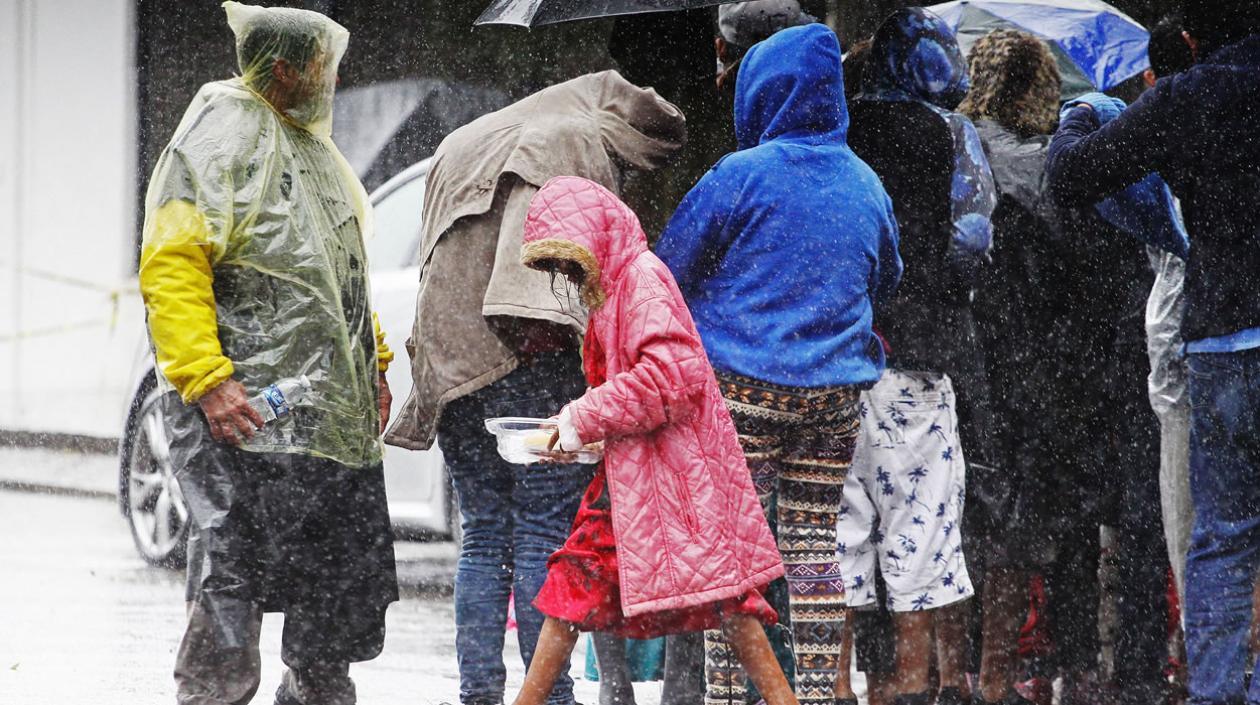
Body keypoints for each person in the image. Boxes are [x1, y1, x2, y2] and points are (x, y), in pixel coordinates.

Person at [382, 71, 685, 705]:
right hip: (532, 357)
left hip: (451, 359)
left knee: (485, 533)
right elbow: (570, 272)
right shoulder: (574, 139)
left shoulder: (463, 140)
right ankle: (546, 696)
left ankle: (480, 695)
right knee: (545, 530)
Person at [138, 4, 397, 704]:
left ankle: (316, 690)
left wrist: (370, 360)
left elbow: (341, 268)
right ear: (284, 68)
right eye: (323, 64)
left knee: (333, 576)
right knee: (234, 568)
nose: (334, 78)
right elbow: (172, 264)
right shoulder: (219, 137)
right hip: (246, 413)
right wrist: (207, 377)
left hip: (322, 415)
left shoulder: (313, 151)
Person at [656, 23, 903, 705]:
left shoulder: (739, 176)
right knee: (812, 548)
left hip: (743, 393)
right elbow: (886, 276)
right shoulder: (866, 182)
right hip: (835, 397)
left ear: (763, 92)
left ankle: (733, 695)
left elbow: (669, 269)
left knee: (735, 554)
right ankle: (818, 692)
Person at [511, 175, 795, 705]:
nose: (565, 278)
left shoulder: (640, 279)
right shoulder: (617, 286)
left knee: (722, 599)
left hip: (669, 480)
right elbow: (636, 390)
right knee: (723, 599)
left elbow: (674, 376)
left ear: (594, 238)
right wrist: (584, 435)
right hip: (642, 478)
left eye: (567, 263)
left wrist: (582, 418)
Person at [1046, 2, 1260, 702]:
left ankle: (1221, 689)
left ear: (1190, 40)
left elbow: (1073, 178)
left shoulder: (1188, 96)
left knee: (1224, 535)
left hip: (1223, 338)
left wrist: (1081, 113)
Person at [845, 9, 996, 705]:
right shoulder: (949, 133)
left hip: (840, 355)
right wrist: (941, 281)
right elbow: (972, 239)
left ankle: (844, 685)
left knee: (843, 533)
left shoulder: (839, 127)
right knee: (920, 529)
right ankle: (910, 685)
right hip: (921, 355)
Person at [1139, 14, 1196, 603]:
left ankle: (1202, 636)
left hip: (1180, 337)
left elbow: (1074, 174)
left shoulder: (1148, 131)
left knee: (1184, 498)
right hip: (1210, 334)